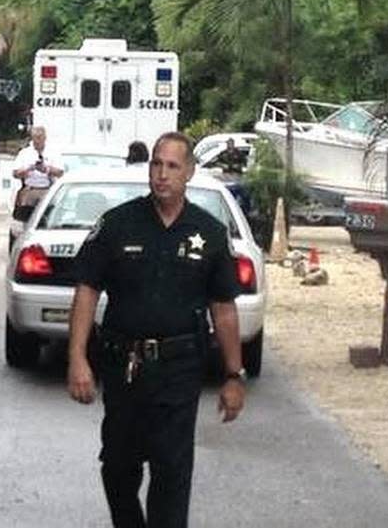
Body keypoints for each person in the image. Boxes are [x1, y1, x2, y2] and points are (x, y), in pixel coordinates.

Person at [66, 131, 247, 528]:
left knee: (171, 471)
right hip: (123, 367)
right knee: (118, 466)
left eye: (172, 166)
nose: (161, 174)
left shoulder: (209, 233)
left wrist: (234, 375)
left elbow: (224, 309)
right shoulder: (117, 224)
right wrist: (77, 357)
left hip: (179, 369)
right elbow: (87, 290)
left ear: (189, 173)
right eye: (156, 164)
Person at [11, 126, 64, 219]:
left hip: (47, 189)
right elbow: (15, 173)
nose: (38, 141)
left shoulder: (53, 153)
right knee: (25, 218)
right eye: (35, 137)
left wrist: (47, 169)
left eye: (40, 137)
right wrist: (29, 168)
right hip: (30, 190)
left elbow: (60, 172)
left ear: (45, 138)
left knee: (46, 217)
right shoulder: (25, 153)